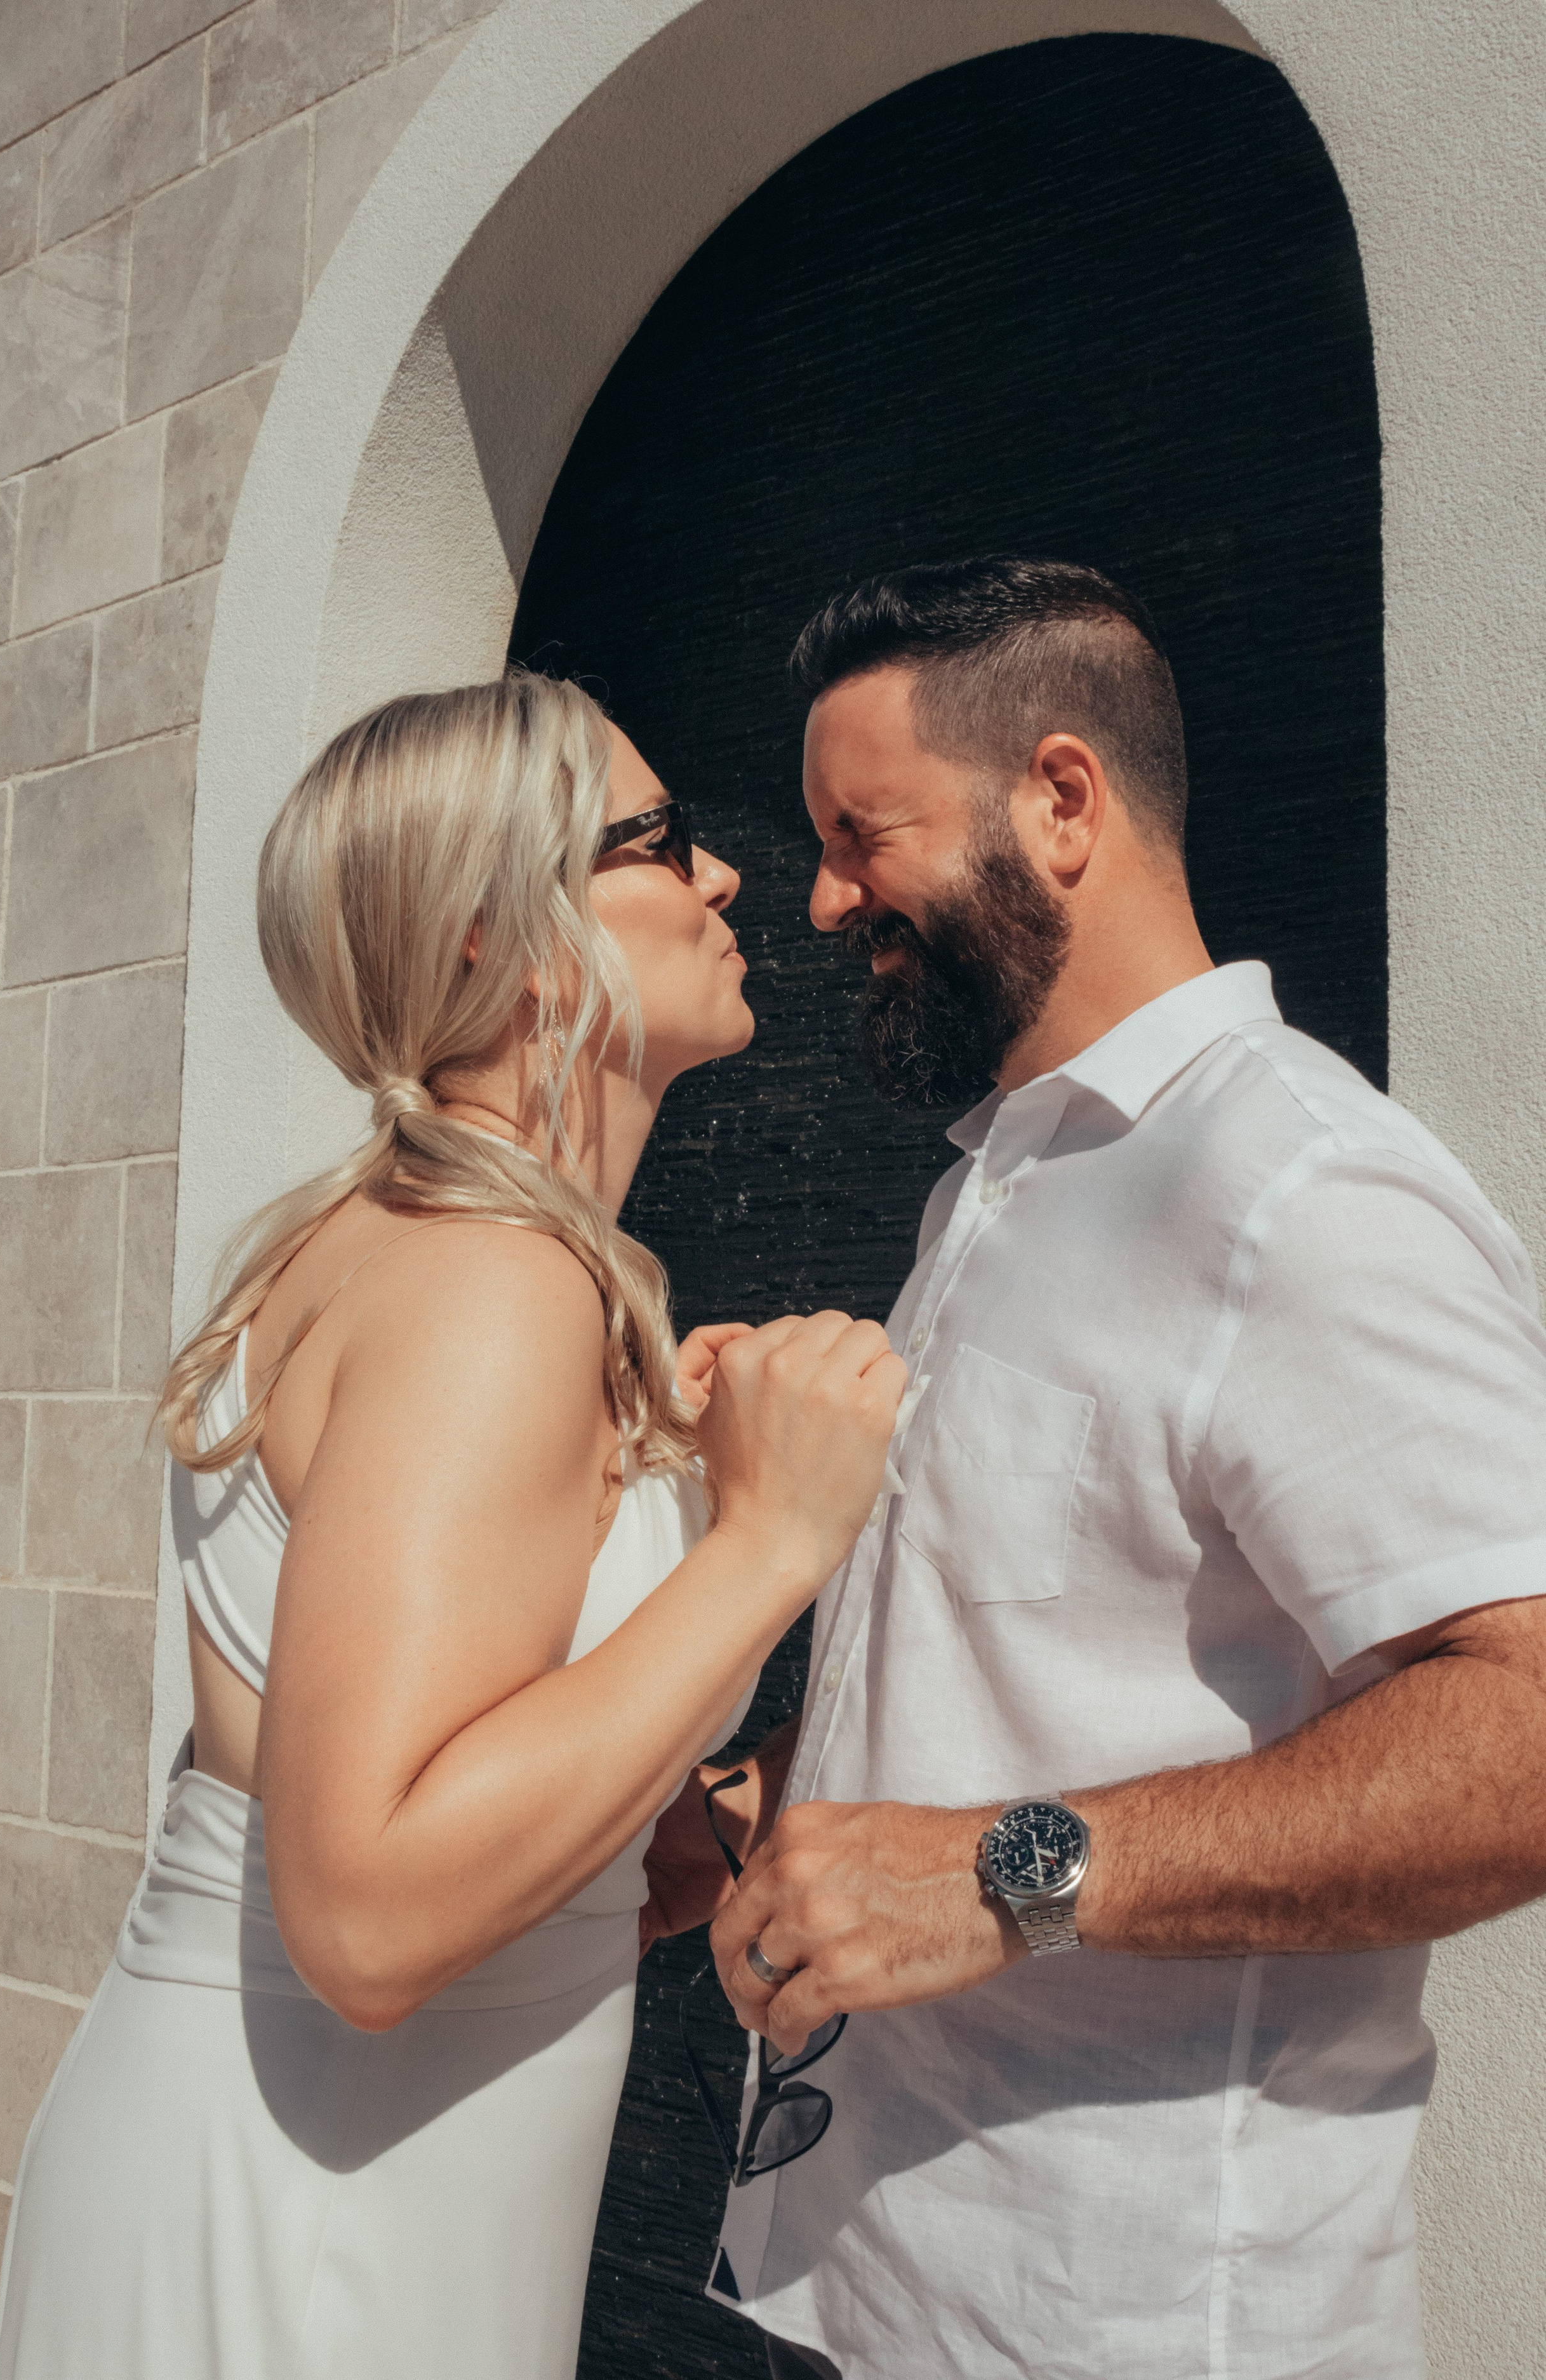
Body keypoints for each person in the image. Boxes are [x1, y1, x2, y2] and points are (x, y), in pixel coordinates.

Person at [646, 558, 1546, 2379]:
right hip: (870, 2278)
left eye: (861, 836)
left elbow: (1526, 1724)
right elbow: (1035, 1661)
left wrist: (1006, 1873)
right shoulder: (999, 1181)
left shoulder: (1299, 1186)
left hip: (1134, 2319)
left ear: (1062, 801)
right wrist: (750, 1811)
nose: (821, 898)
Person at [0, 673, 905, 2380]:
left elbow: (395, 1746)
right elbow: (366, 1913)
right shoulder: (491, 1284)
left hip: (339, 2173)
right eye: (660, 840)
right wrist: (765, 1544)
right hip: (321, 2228)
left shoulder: (418, 1245)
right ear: (509, 935)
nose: (722, 874)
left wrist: (645, 1813)